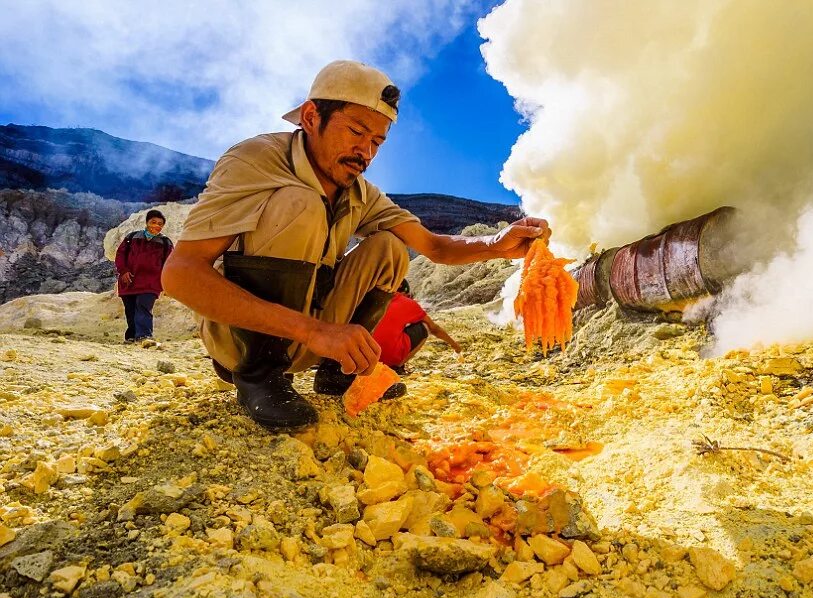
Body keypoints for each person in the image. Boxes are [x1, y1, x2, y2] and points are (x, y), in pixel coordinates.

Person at [162, 60, 550, 430]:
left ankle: (339, 371)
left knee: (390, 248)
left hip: (313, 339)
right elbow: (180, 274)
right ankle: (260, 375)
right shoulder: (255, 160)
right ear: (312, 117)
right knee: (300, 204)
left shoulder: (360, 192)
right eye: (356, 131)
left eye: (377, 141)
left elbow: (434, 247)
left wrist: (498, 243)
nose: (366, 152)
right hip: (239, 341)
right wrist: (313, 330)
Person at [372, 280, 461, 374]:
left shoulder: (371, 299)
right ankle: (397, 366)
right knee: (424, 326)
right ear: (404, 293)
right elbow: (434, 328)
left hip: (367, 358)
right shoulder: (406, 302)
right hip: (388, 361)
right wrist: (456, 347)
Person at [115, 210, 173, 343]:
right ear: (147, 222)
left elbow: (169, 263)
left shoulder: (165, 243)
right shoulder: (132, 237)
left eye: (160, 224)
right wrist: (123, 271)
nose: (156, 226)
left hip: (151, 282)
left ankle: (144, 336)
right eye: (153, 222)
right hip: (129, 281)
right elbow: (120, 255)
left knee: (143, 307)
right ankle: (131, 336)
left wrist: (164, 281)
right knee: (130, 310)